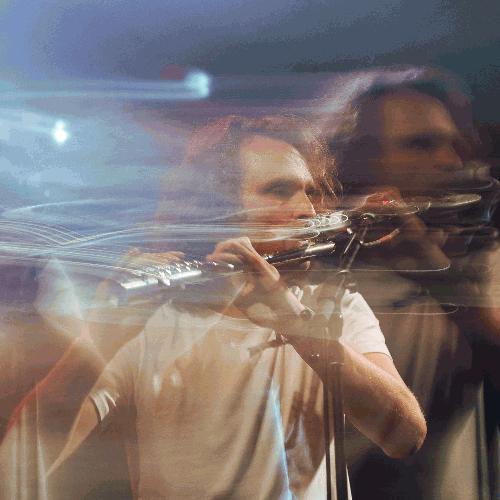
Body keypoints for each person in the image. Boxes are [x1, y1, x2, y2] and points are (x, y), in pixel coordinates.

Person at [2, 115, 426, 499]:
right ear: (217, 208)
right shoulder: (155, 318)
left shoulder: (334, 305)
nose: (308, 211)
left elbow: (405, 437)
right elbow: (20, 463)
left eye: (310, 193)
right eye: (280, 191)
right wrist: (103, 333)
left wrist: (295, 323)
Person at [324, 67, 500, 500]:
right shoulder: (313, 271)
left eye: (453, 145)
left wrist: (431, 267)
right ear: (355, 160)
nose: (450, 162)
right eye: (420, 145)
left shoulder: (483, 262)